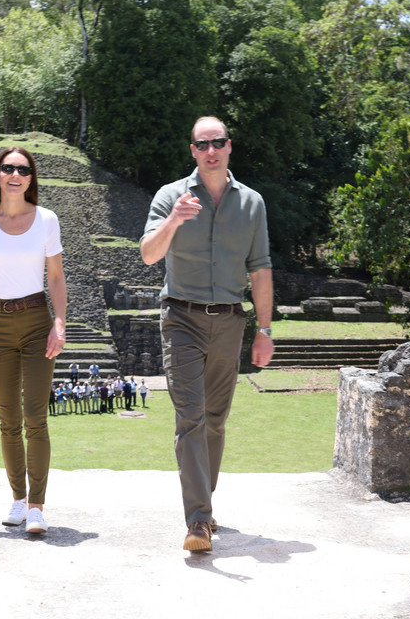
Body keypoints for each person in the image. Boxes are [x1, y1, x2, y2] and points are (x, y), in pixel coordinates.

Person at [140, 116, 274, 553]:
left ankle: (206, 506)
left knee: (215, 421)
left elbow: (261, 269)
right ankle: (198, 522)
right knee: (191, 418)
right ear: (192, 150)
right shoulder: (169, 197)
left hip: (231, 321)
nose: (211, 150)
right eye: (202, 144)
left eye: (218, 142)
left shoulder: (252, 203)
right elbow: (147, 255)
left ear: (229, 146)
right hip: (181, 318)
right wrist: (174, 221)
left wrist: (265, 329)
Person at [0, 146, 67, 535]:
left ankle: (37, 505)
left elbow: (55, 277)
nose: (15, 174)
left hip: (38, 321)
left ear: (31, 177)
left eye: (23, 169)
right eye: (8, 168)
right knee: (7, 419)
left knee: (35, 417)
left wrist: (59, 322)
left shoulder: (47, 220)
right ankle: (17, 499)